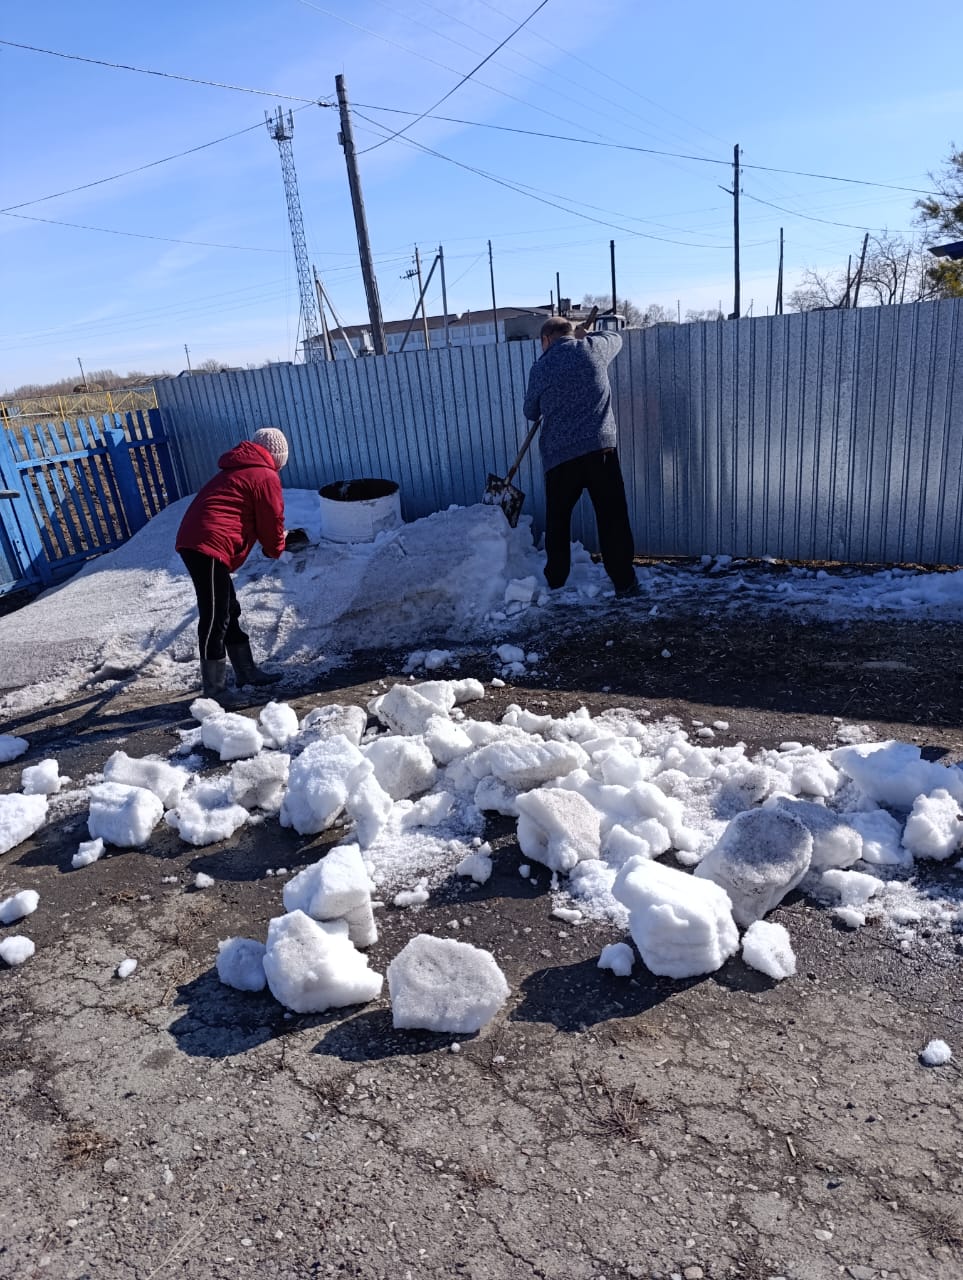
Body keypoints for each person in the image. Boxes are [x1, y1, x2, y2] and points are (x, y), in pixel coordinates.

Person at [522, 316, 639, 597]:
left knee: (558, 521)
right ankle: (624, 582)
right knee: (612, 517)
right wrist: (586, 334)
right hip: (600, 450)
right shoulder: (593, 347)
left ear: (546, 339)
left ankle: (556, 580)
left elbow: (530, 412)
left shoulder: (540, 368)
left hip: (560, 458)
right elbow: (616, 338)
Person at [176, 427, 291, 701]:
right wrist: (276, 548)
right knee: (215, 615)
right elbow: (271, 519)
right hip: (207, 545)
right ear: (278, 456)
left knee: (228, 608)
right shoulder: (264, 475)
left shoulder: (240, 470)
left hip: (203, 543)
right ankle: (214, 690)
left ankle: (246, 671)